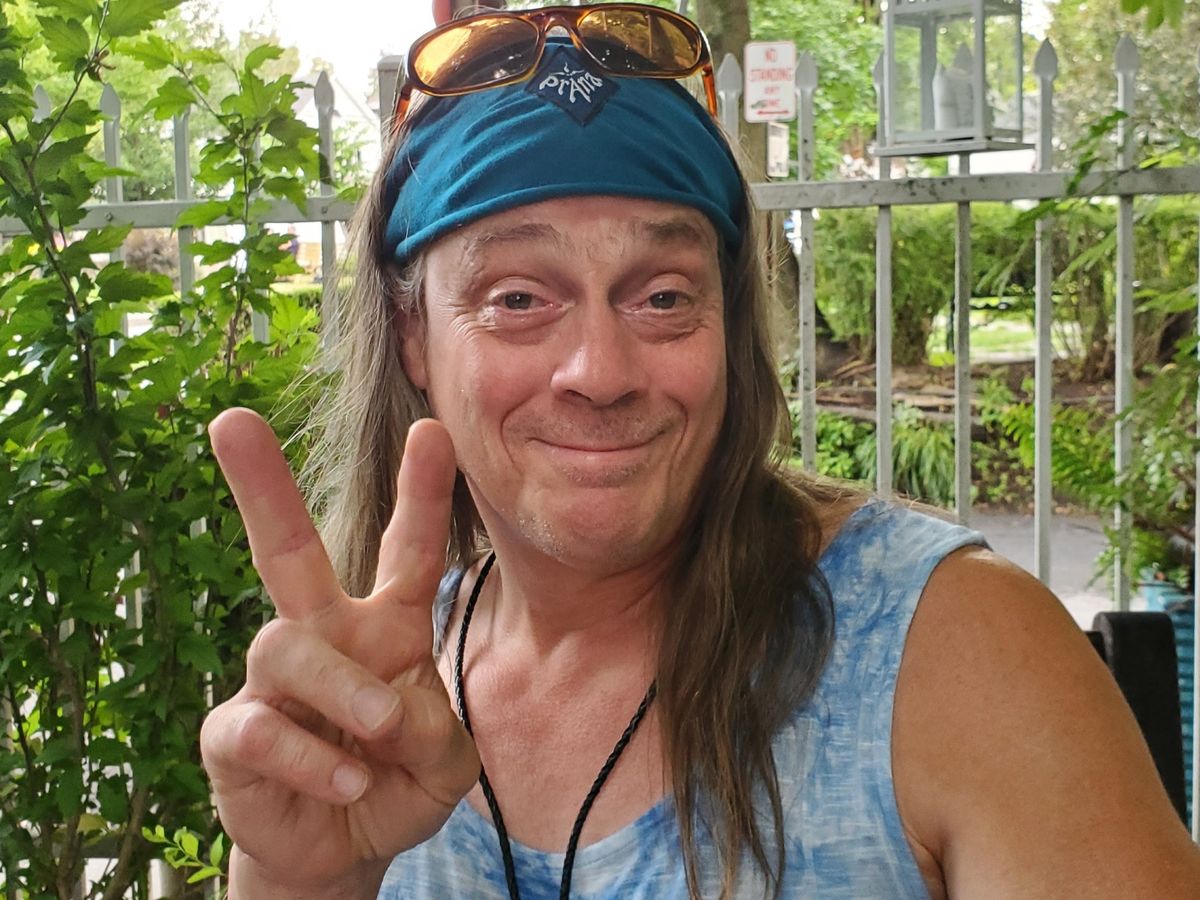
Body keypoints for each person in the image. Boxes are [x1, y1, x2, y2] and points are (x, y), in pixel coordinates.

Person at [199, 4, 1200, 898]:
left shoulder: (949, 650)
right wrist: (304, 884)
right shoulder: (376, 698)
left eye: (664, 295)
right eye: (519, 298)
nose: (600, 370)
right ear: (414, 337)